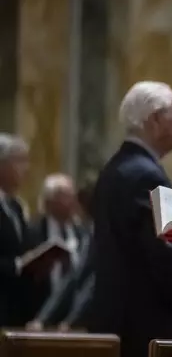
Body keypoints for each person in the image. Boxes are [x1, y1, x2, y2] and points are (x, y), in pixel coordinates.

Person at [89, 81, 172, 357]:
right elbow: (162, 251)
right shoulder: (146, 175)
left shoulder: (115, 169)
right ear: (155, 119)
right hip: (144, 329)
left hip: (117, 322)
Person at [26, 177, 97, 332]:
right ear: (49, 201)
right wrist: (42, 319)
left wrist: (70, 322)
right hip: (37, 309)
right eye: (66, 196)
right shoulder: (31, 231)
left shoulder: (85, 232)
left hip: (79, 319)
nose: (72, 202)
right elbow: (73, 278)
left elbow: (89, 280)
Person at [0, 133, 32, 327]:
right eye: (19, 161)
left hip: (17, 309)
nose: (25, 169)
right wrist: (16, 265)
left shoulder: (16, 206)